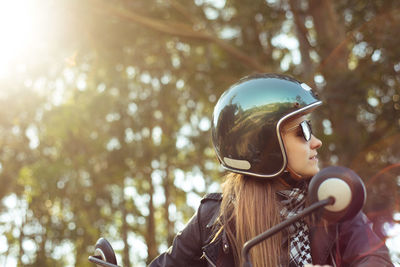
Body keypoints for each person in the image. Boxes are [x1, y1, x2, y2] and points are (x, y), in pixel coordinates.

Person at [149, 73, 393, 267]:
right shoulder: (213, 219)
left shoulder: (331, 202)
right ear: (265, 147)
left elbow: (374, 259)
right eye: (302, 131)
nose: (316, 141)